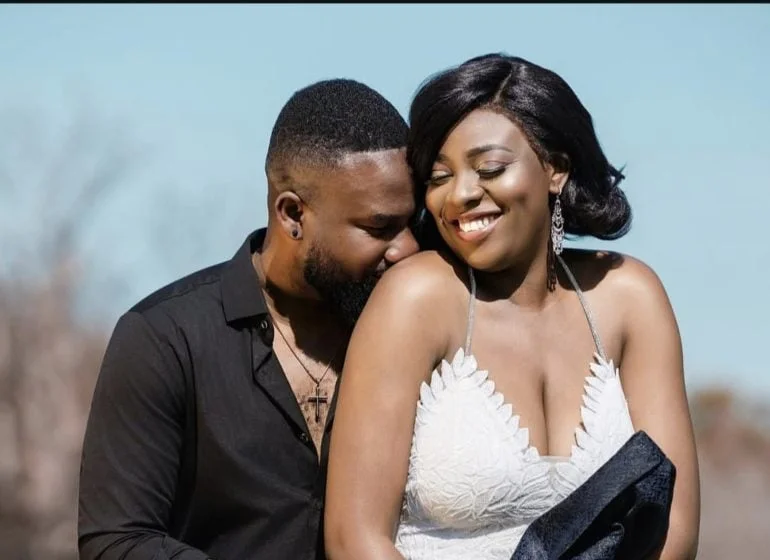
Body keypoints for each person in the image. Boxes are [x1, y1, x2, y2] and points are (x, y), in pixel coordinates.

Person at [325, 53, 700, 560]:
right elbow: (355, 537)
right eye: (439, 177)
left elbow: (672, 524)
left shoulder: (629, 296)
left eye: (489, 168)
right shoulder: (415, 299)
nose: (460, 194)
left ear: (555, 169)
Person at [78, 78, 419, 560]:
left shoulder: (417, 332)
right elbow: (116, 540)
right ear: (293, 214)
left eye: (411, 224)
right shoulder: (164, 339)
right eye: (380, 227)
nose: (407, 248)